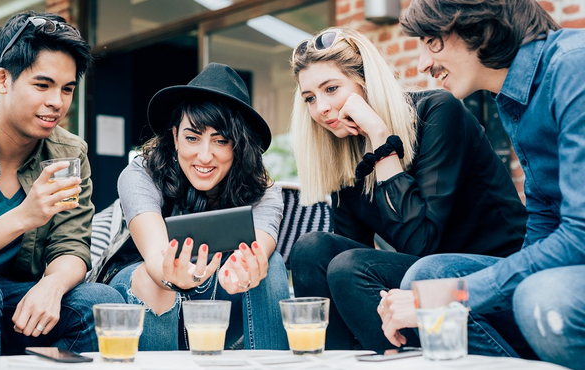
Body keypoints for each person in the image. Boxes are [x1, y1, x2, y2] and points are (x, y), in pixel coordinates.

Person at [287, 27, 527, 353]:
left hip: (492, 281)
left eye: (331, 89)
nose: (322, 109)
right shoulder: (345, 152)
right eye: (310, 98)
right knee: (312, 250)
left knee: (350, 268)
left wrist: (381, 140)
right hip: (423, 279)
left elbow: (422, 245)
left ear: (366, 81)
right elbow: (347, 254)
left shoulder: (437, 113)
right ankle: (341, 359)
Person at [379, 1, 585, 368]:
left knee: (542, 296)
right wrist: (447, 292)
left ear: (480, 28)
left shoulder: (573, 66)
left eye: (431, 41)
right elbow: (543, 220)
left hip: (566, 280)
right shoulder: (512, 98)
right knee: (426, 278)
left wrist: (458, 294)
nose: (423, 63)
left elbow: (579, 236)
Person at [0, 12, 124, 357]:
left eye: (67, 89)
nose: (56, 102)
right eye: (42, 85)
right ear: (2, 80)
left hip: (27, 297)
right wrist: (25, 216)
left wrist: (53, 284)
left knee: (100, 300)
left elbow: (72, 247)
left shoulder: (69, 153)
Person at [106, 63, 289, 351]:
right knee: (158, 276)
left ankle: (271, 364)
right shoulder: (141, 174)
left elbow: (257, 251)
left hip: (220, 295)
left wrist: (242, 273)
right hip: (143, 292)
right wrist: (172, 277)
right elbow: (157, 259)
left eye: (220, 140)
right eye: (192, 138)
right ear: (175, 135)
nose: (204, 156)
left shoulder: (263, 190)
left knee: (271, 264)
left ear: (238, 146)